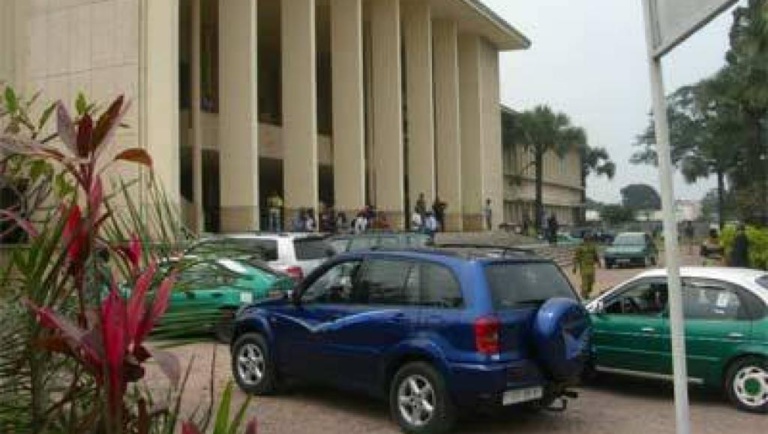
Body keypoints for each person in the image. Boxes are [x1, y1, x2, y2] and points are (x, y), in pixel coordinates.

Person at [573, 233, 601, 299]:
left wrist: (598, 262)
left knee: (591, 282)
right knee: (585, 282)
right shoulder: (580, 247)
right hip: (584, 267)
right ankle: (584, 294)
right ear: (584, 239)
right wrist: (575, 267)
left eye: (589, 239)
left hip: (591, 266)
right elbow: (576, 257)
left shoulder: (592, 246)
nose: (588, 240)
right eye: (587, 239)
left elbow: (595, 255)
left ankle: (586, 292)